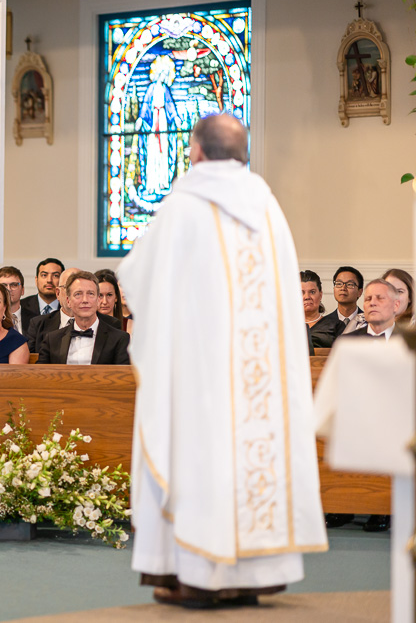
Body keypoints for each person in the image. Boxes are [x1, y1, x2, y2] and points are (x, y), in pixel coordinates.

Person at [118, 114, 327, 608]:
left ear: (195, 151)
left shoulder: (183, 205)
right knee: (250, 457)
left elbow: (142, 283)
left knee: (199, 456)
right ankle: (252, 575)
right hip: (260, 379)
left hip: (199, 370)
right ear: (243, 153)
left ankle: (197, 577)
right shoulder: (268, 205)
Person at [330, 279, 404, 532]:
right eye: (369, 299)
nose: (371, 303)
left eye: (379, 298)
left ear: (396, 305)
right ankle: (343, 503)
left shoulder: (409, 342)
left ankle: (384, 507)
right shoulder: (347, 342)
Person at [37, 271, 130, 366]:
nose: (85, 300)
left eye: (90, 294)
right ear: (68, 301)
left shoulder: (119, 339)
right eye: (78, 294)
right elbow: (39, 376)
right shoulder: (52, 340)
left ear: (98, 300)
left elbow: (123, 377)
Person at [26, 267, 122, 353]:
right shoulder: (39, 324)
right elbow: (33, 366)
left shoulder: (111, 324)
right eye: (77, 292)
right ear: (58, 293)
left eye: (89, 293)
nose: (84, 299)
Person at [18, 258, 64, 337]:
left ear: (62, 281)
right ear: (36, 280)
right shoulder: (21, 307)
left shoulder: (69, 308)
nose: (49, 280)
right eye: (44, 275)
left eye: (55, 275)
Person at [0, 266, 29, 336]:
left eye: (14, 285)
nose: (8, 289)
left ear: (22, 290)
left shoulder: (36, 320)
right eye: (3, 286)